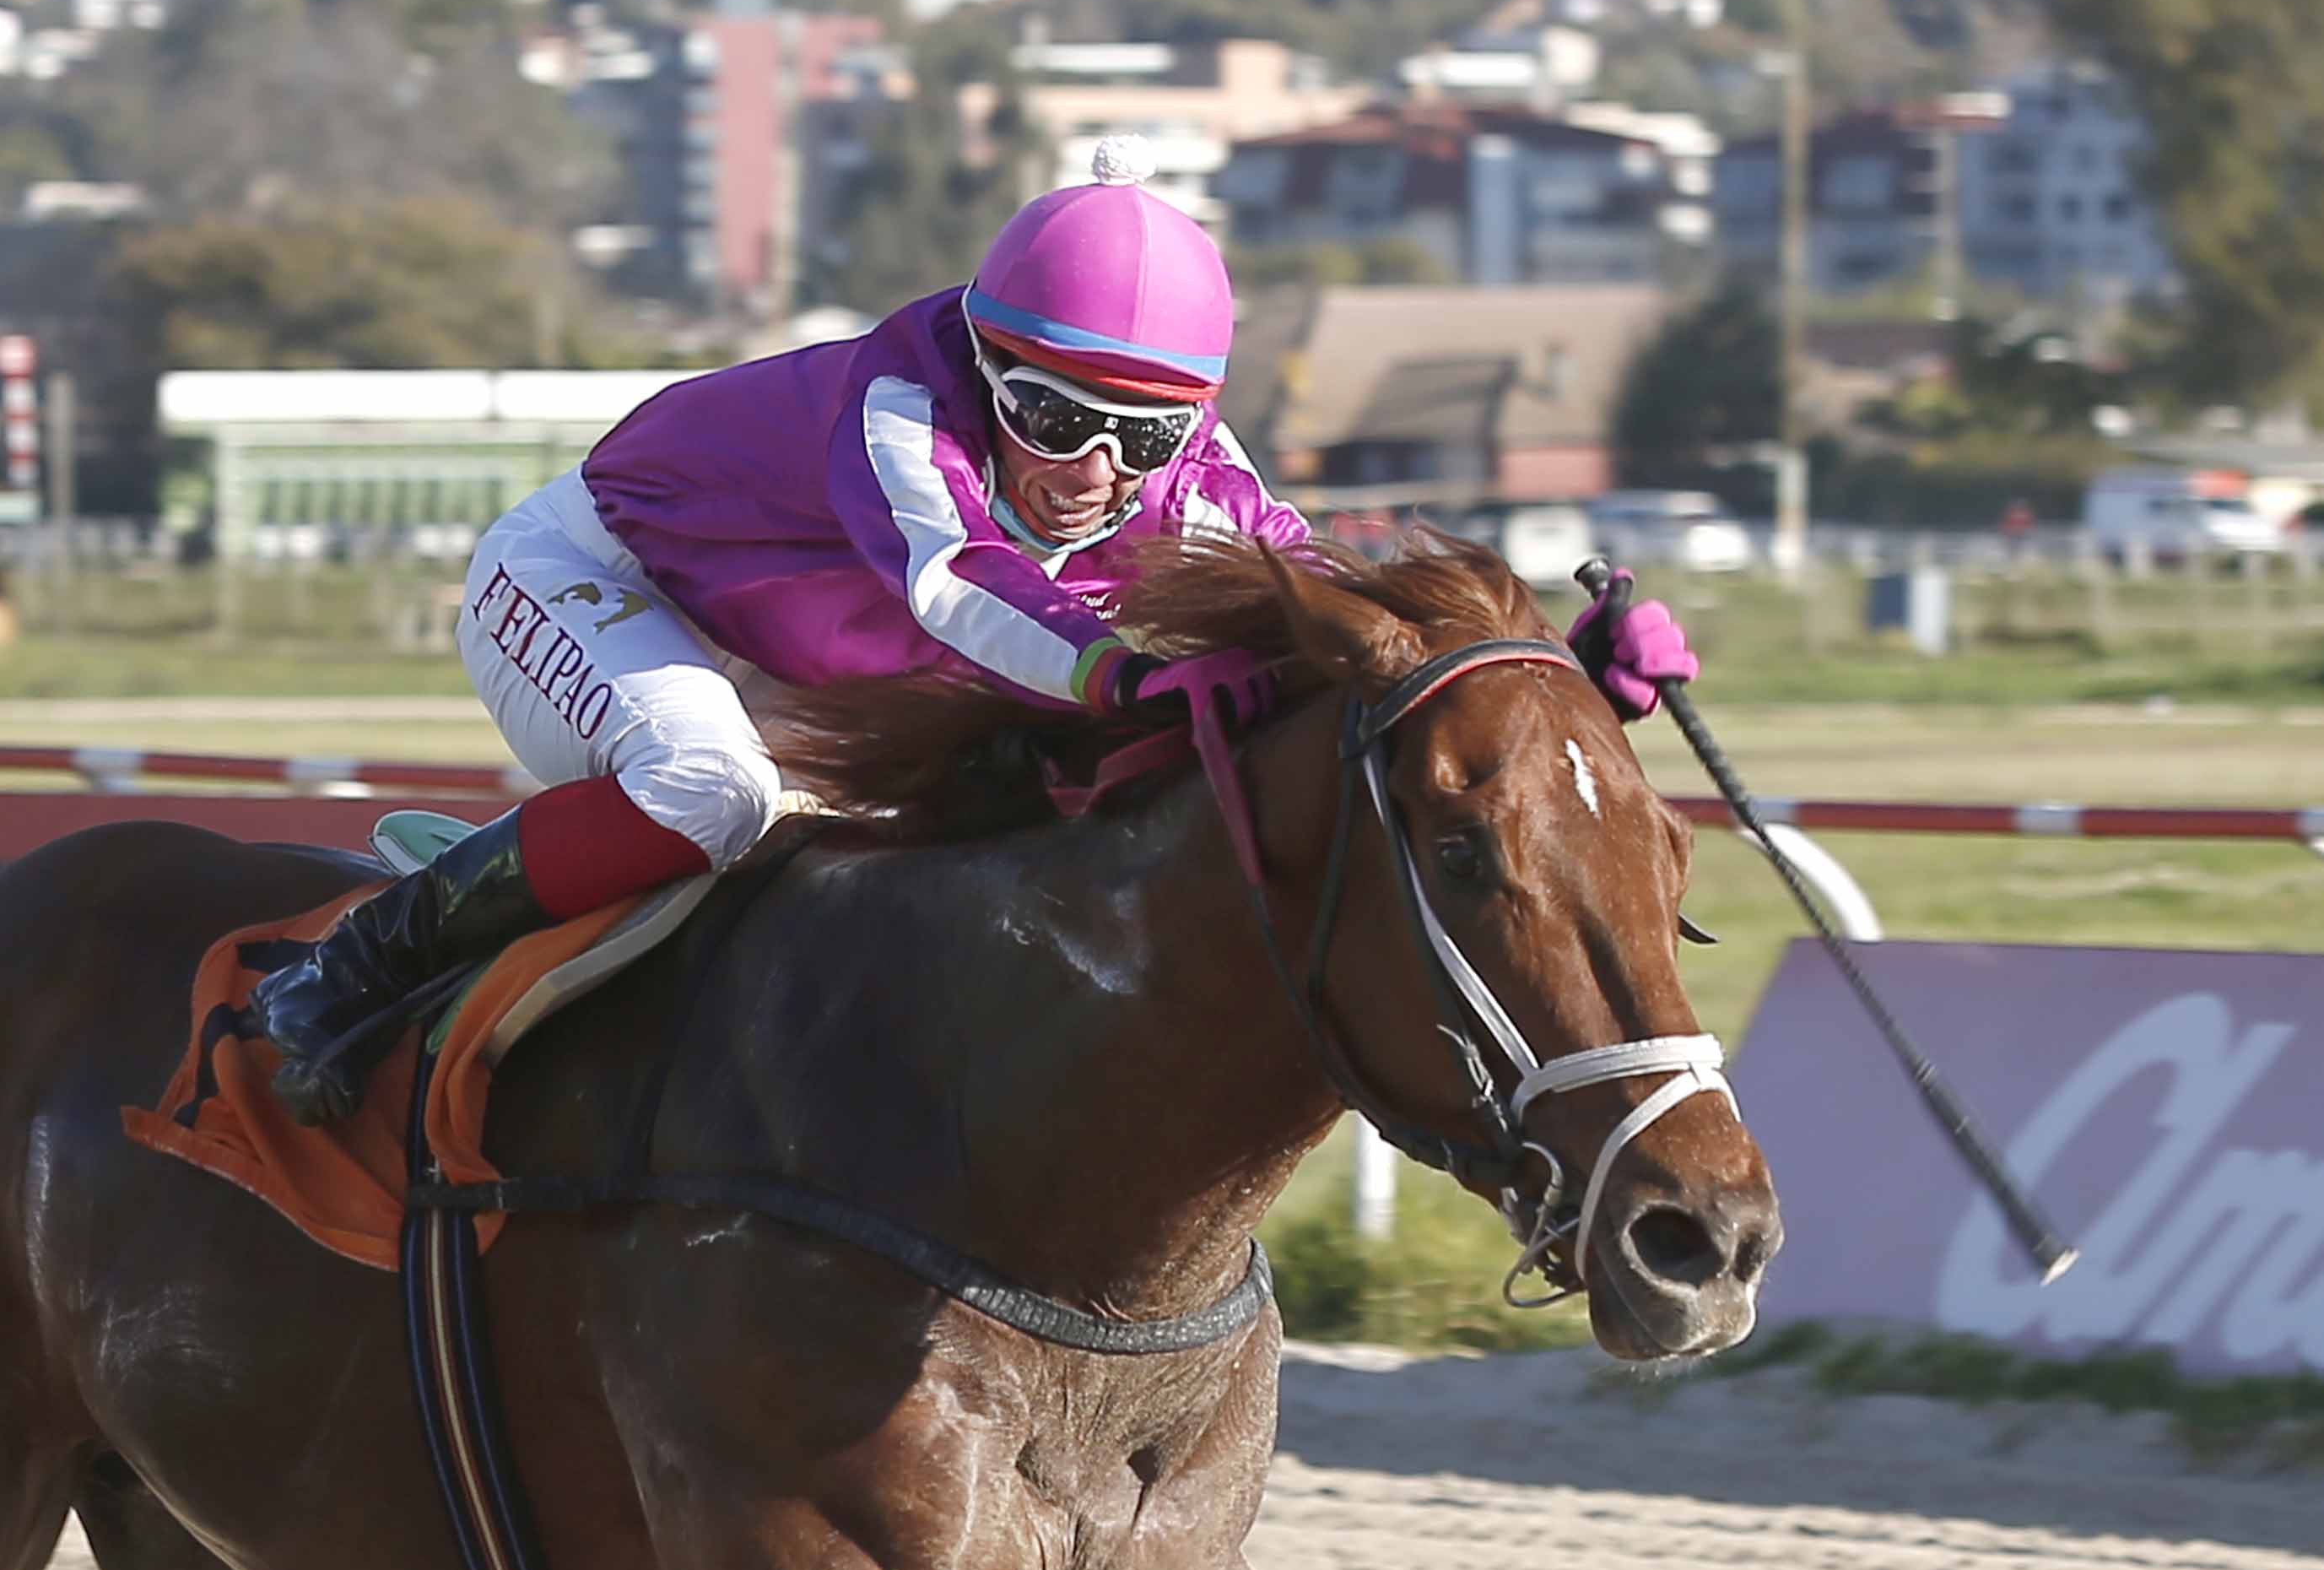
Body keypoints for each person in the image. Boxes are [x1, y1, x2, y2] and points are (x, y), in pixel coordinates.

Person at [244, 144, 1694, 1123]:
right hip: (594, 580)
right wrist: (1122, 670)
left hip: (794, 658)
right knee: (711, 790)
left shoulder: (1200, 475)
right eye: (1049, 415)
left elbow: (1345, 625)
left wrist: (1558, 674)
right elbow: (958, 587)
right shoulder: (902, 403)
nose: (1093, 471)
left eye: (1141, 437)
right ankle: (363, 964)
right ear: (984, 359)